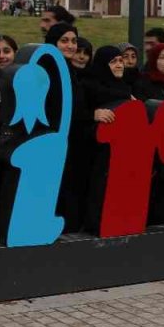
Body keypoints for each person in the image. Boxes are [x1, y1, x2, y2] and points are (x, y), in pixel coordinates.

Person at [44, 23, 115, 232]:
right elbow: (56, 107)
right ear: (53, 43)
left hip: (71, 142)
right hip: (57, 142)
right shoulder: (51, 69)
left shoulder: (67, 69)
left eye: (73, 41)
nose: (70, 46)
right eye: (64, 41)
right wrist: (90, 115)